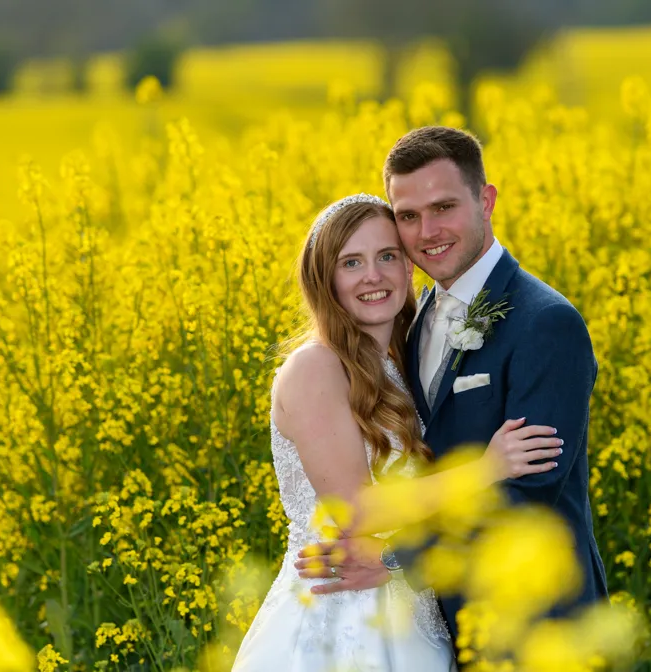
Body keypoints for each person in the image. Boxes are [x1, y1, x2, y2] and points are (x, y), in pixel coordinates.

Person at [296, 126, 609, 646]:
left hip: (537, 622)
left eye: (444, 207)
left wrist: (395, 559)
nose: (427, 231)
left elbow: (528, 494)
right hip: (445, 623)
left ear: (485, 201)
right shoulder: (412, 322)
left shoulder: (546, 322)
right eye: (409, 216)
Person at [231, 193, 564, 671]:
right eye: (351, 262)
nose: (374, 275)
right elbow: (356, 509)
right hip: (340, 614)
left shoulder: (401, 361)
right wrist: (487, 469)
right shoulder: (314, 367)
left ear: (409, 266)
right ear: (325, 280)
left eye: (387, 255)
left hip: (410, 603)